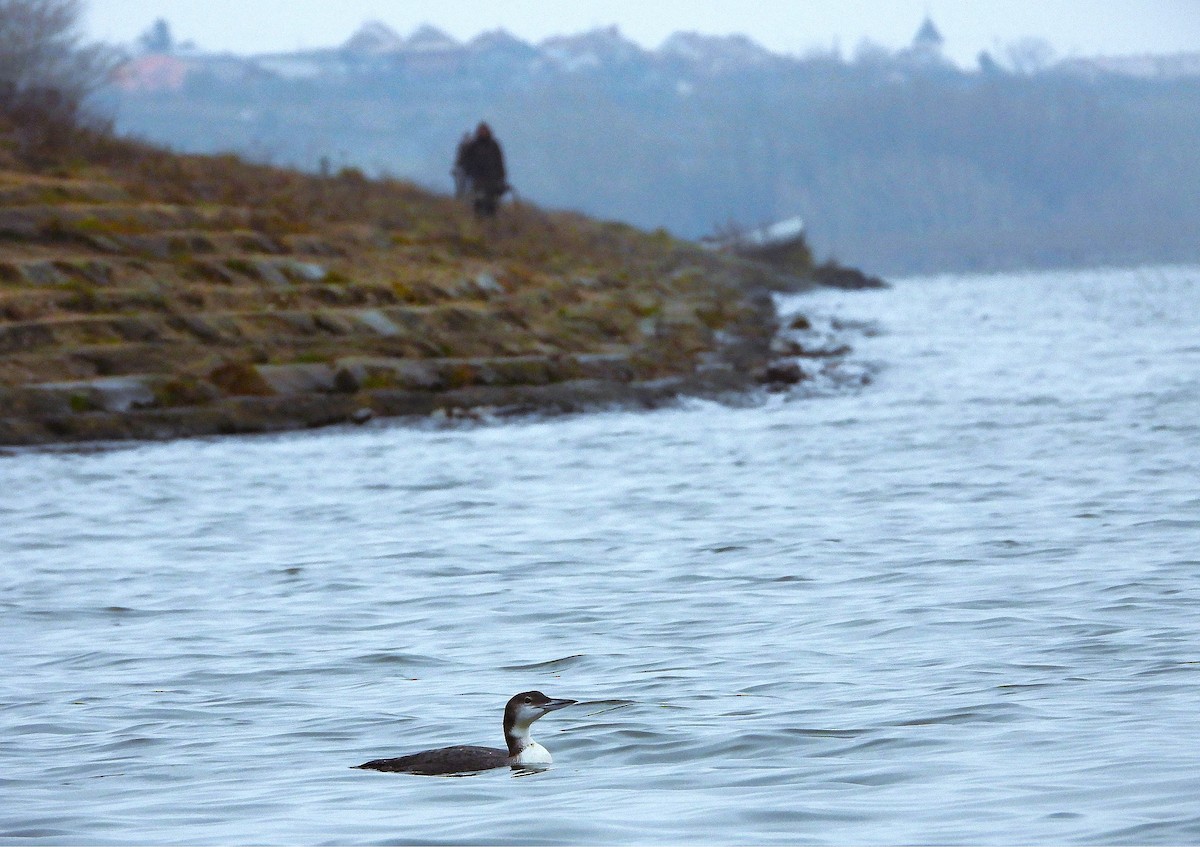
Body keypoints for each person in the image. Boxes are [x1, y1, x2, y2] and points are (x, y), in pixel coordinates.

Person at [458, 122, 508, 217]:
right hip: (478, 179)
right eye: (481, 131)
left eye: (484, 131)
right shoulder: (473, 145)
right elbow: (465, 160)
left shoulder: (494, 145)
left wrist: (501, 178)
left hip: (493, 180)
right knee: (479, 202)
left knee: (492, 204)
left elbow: (500, 162)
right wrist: (470, 172)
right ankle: (479, 221)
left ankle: (490, 223)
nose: (483, 133)